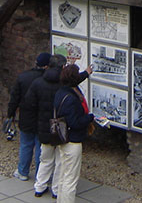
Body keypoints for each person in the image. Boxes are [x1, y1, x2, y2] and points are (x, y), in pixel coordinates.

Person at [53, 64, 95, 203]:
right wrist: (90, 117)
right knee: (71, 179)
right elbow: (75, 122)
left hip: (64, 139)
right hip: (73, 141)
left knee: (63, 175)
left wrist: (86, 73)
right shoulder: (71, 99)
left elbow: (74, 79)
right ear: (74, 79)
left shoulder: (61, 92)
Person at [6, 52, 51, 180]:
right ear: (47, 66)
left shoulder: (23, 77)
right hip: (42, 118)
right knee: (40, 149)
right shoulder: (48, 81)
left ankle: (22, 172)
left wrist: (10, 114)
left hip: (26, 116)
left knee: (26, 145)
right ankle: (39, 176)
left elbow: (14, 98)